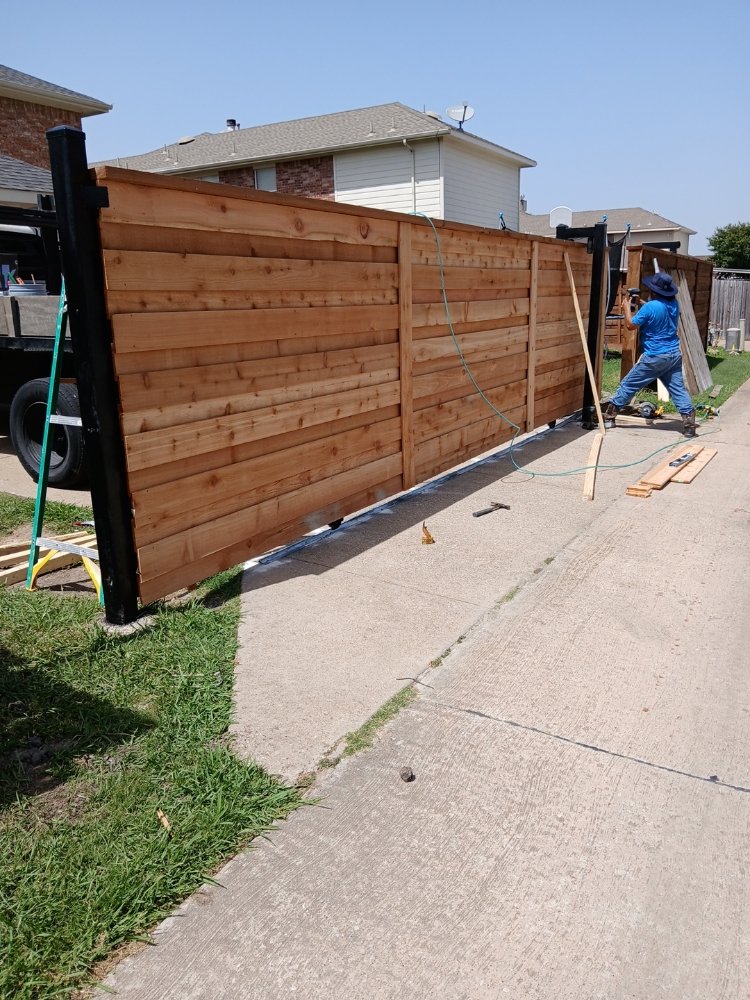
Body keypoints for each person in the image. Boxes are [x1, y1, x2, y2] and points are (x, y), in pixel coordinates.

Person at [604, 272, 697, 437]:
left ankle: (609, 417)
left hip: (654, 356)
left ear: (655, 291)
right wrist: (643, 303)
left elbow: (631, 325)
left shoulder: (650, 307)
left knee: (629, 384)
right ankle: (689, 426)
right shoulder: (673, 304)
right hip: (673, 355)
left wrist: (627, 308)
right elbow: (660, 311)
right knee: (678, 390)